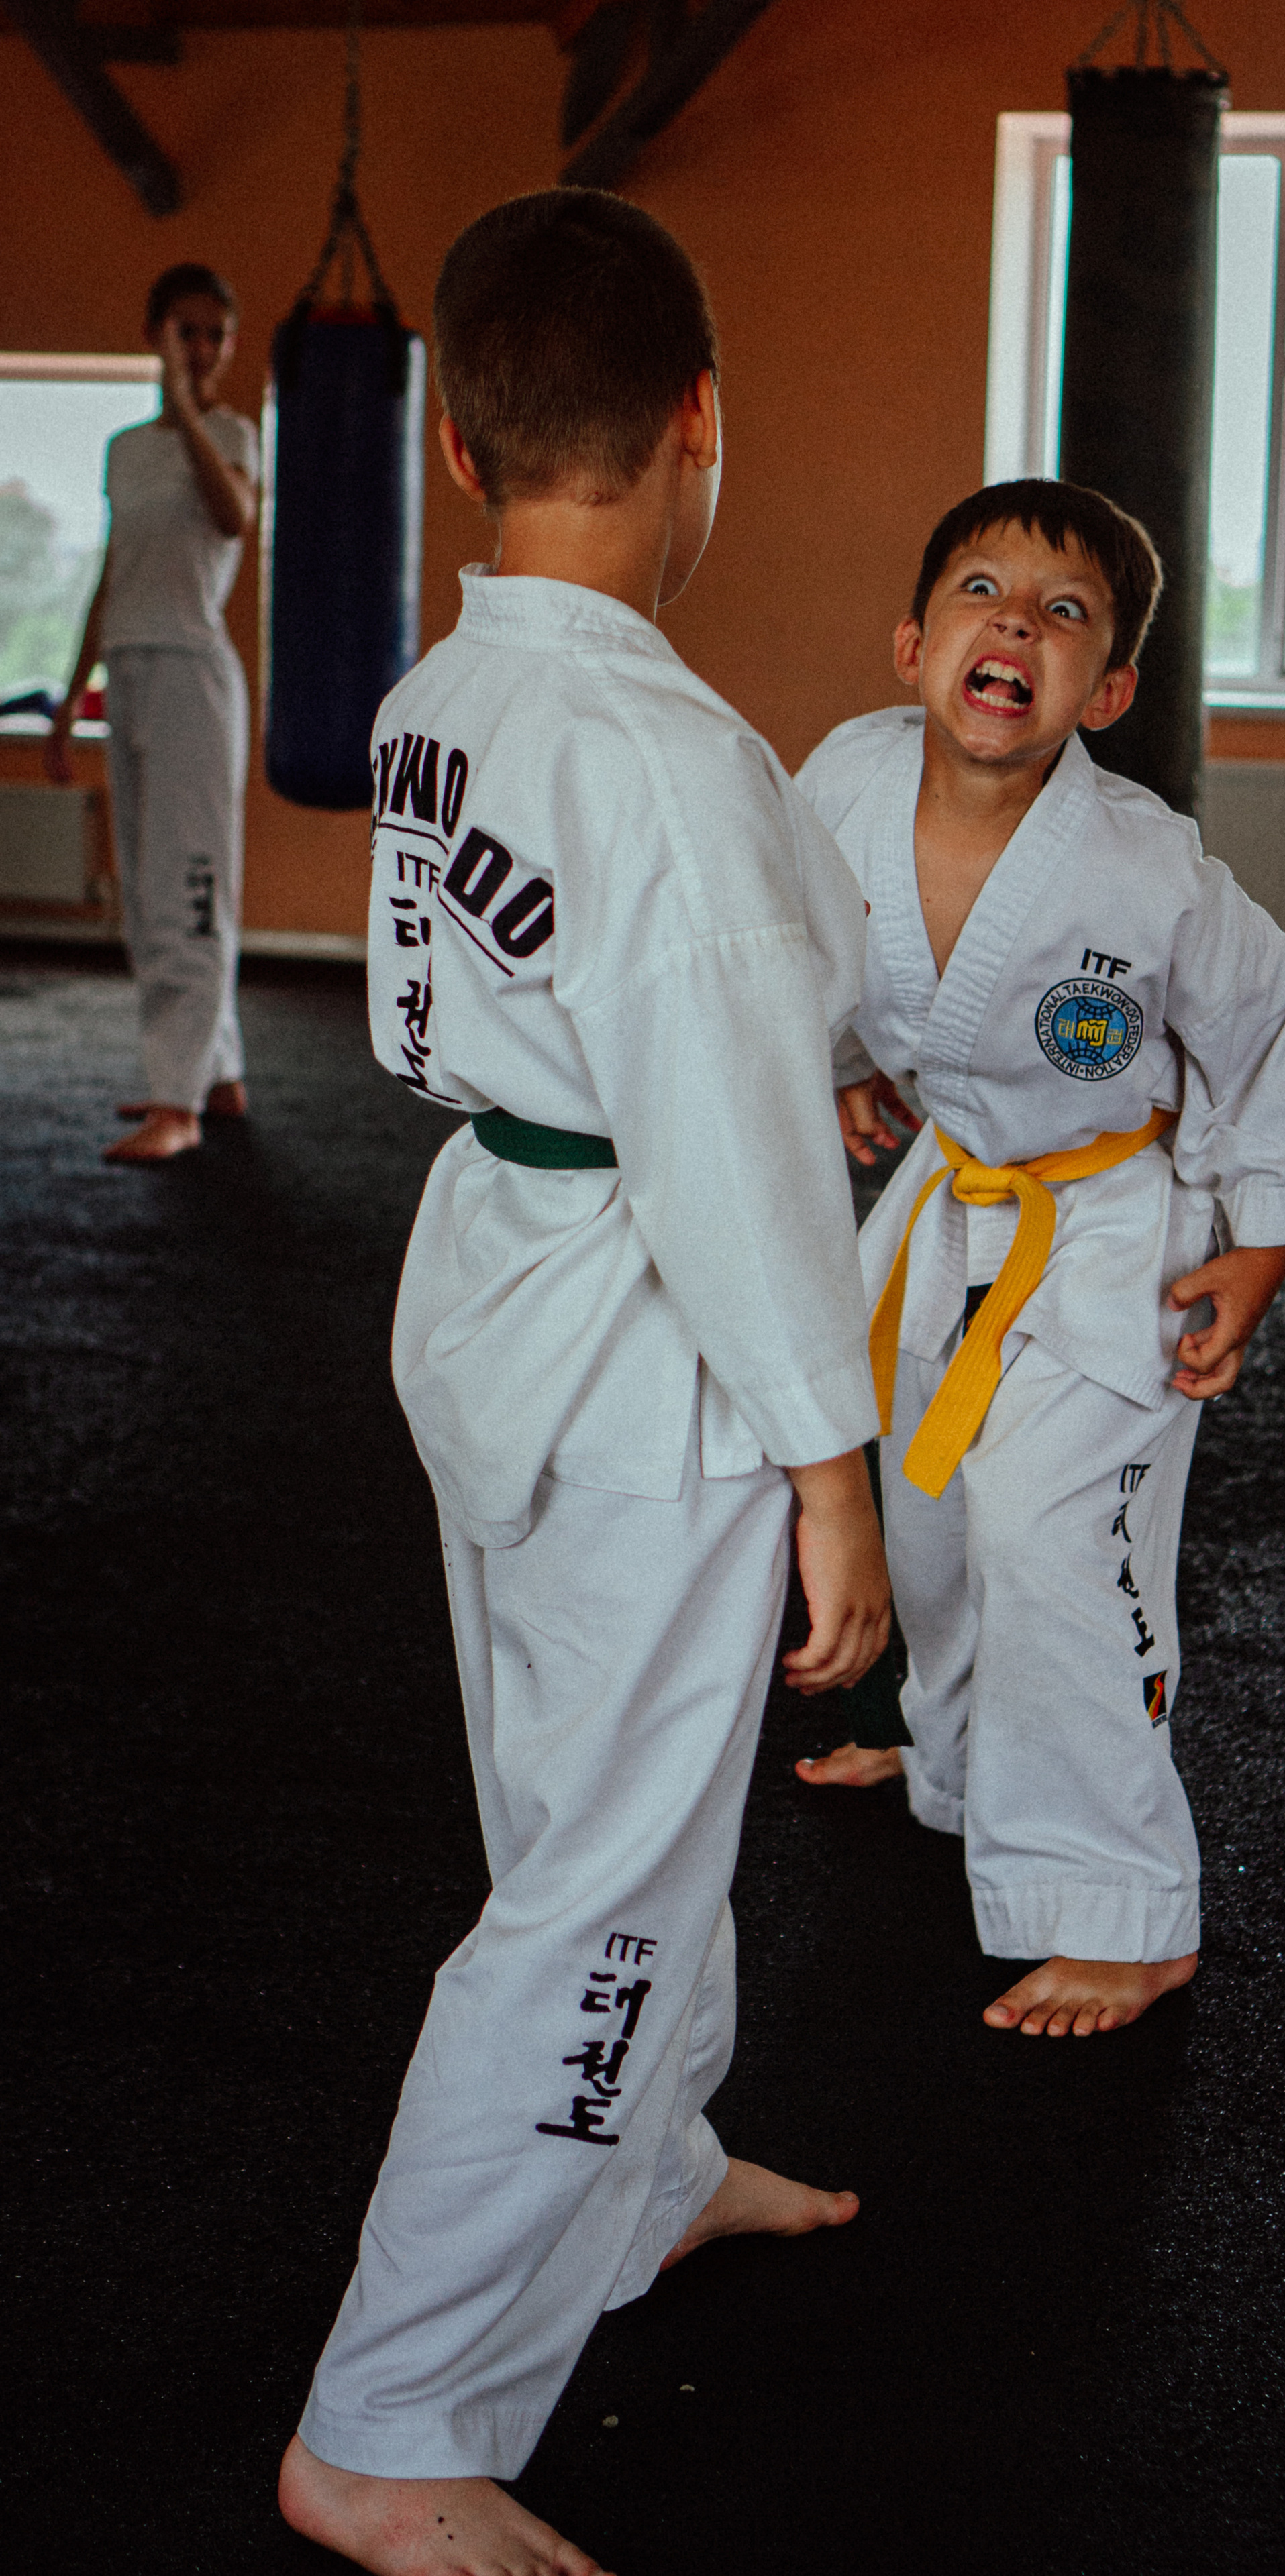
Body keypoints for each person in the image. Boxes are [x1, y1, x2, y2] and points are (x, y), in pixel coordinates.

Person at [278, 191, 891, 2576]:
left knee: (588, 1794)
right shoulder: (674, 758)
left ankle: (634, 2171)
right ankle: (388, 2420)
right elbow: (734, 1160)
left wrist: (748, 1053)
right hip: (651, 1329)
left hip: (498, 1262)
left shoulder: (439, 691)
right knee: (598, 1883)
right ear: (699, 427)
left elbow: (595, 1016)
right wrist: (832, 1478)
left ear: (451, 450)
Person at [793, 479, 1285, 2041]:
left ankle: (1124, 1907)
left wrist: (1255, 1257)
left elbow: (1264, 1029)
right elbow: (809, 949)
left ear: (1105, 691)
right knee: (920, 1517)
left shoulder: (1142, 864)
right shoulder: (841, 782)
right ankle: (942, 1755)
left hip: (1111, 1221)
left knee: (1060, 1538)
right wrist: (853, 1056)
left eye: (1063, 615)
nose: (1016, 626)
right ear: (913, 640)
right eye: (983, 592)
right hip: (948, 1190)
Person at [47, 263, 257, 1163]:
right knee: (145, 889)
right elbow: (111, 573)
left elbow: (234, 518)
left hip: (192, 679)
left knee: (191, 887)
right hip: (128, 672)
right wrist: (68, 698)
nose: (202, 347)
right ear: (156, 331)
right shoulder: (125, 451)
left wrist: (185, 405)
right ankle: (215, 1075)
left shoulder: (234, 435)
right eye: (186, 330)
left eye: (216, 333)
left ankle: (178, 1105)